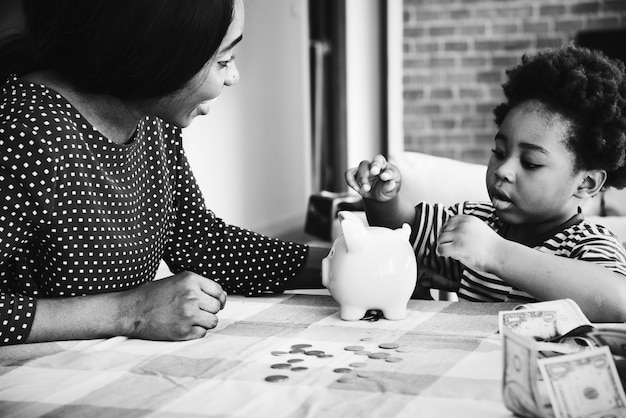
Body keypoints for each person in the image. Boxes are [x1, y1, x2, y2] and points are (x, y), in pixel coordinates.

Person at [0, 0, 327, 346]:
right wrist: (128, 312)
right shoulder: (25, 133)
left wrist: (340, 263)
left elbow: (200, 243)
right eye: (224, 61)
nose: (233, 77)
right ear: (157, 54)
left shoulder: (150, 117)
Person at [346, 45, 626, 323]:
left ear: (587, 182)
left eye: (530, 162)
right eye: (499, 153)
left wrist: (495, 252)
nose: (503, 170)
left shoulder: (589, 244)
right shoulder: (477, 221)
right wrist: (383, 200)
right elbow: (406, 233)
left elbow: (617, 301)